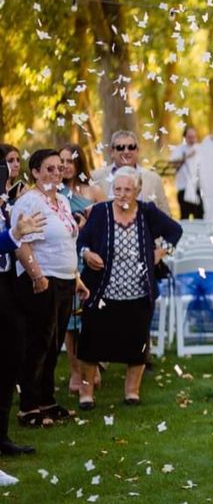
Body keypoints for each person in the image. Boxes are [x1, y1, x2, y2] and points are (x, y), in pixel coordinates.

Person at [76, 167, 182, 408]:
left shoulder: (147, 212)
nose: (122, 194)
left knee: (137, 342)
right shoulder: (100, 212)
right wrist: (87, 254)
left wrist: (161, 251)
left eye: (128, 189)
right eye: (118, 189)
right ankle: (86, 393)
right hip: (103, 289)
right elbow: (82, 241)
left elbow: (175, 231)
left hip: (138, 290)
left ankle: (131, 392)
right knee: (91, 341)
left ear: (138, 191)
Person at [11, 149, 90, 428]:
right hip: (42, 279)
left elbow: (67, 243)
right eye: (49, 168)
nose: (56, 173)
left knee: (55, 342)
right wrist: (36, 276)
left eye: (60, 168)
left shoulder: (63, 202)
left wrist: (76, 278)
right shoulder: (29, 202)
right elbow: (21, 243)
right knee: (39, 342)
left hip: (66, 278)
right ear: (34, 172)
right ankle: (29, 406)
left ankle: (47, 400)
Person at [59, 144, 105, 395]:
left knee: (89, 316)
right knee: (70, 319)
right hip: (65, 257)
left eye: (70, 160)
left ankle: (93, 366)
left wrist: (88, 222)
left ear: (79, 163)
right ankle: (75, 370)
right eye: (61, 160)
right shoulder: (54, 192)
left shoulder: (93, 190)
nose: (65, 165)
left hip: (87, 257)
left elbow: (107, 220)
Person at [0, 210, 47, 459]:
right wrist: (14, 234)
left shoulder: (4, 207)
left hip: (6, 284)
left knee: (11, 358)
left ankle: (2, 436)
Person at [91, 130, 171, 215]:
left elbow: (165, 214)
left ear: (137, 150)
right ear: (111, 152)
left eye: (131, 147)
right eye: (120, 147)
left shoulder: (153, 179)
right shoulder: (96, 177)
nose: (126, 151)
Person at [170, 125, 204, 220]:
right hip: (183, 189)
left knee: (199, 216)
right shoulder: (179, 150)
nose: (192, 139)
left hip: (198, 189)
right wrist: (187, 156)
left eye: (194, 137)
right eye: (189, 137)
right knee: (185, 217)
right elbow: (172, 164)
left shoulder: (200, 148)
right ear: (185, 137)